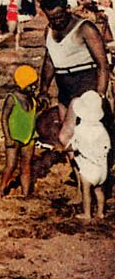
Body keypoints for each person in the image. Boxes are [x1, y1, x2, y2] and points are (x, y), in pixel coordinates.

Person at [37, 0, 109, 203]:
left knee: (72, 138)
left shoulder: (84, 28)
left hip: (85, 88)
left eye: (60, 16)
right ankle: (82, 189)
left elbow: (102, 66)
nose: (57, 22)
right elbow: (49, 61)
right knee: (72, 146)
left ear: (68, 9)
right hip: (64, 88)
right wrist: (43, 89)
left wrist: (100, 97)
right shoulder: (48, 31)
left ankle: (97, 188)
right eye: (52, 18)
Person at [59, 91, 110, 220]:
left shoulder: (80, 129)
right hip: (101, 168)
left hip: (88, 169)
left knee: (86, 192)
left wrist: (65, 149)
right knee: (99, 191)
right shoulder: (101, 128)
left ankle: (87, 213)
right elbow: (107, 145)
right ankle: (100, 212)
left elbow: (74, 145)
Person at [0, 66, 39, 198]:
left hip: (29, 137)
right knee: (11, 165)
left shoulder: (33, 100)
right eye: (31, 86)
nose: (34, 88)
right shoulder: (12, 98)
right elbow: (4, 118)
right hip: (14, 136)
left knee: (26, 166)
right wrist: (7, 137)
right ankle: (2, 189)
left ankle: (25, 193)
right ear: (23, 84)